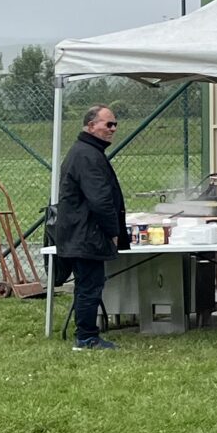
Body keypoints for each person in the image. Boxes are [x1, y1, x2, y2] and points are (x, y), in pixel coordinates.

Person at [52, 104, 129, 349]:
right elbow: (100, 199)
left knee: (89, 283)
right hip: (85, 233)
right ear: (90, 125)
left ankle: (86, 334)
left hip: (81, 231)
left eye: (115, 124)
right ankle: (86, 337)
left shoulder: (88, 152)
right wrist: (113, 231)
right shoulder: (87, 155)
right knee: (89, 285)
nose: (113, 129)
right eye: (108, 124)